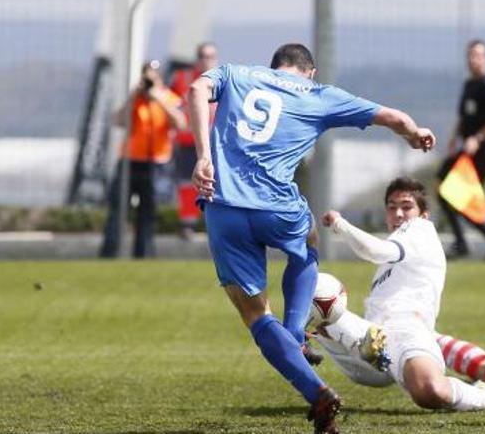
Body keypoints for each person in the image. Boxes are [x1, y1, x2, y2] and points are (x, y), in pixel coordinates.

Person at [187, 43, 436, 433]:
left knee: (254, 314)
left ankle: (314, 388)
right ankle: (294, 332)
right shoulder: (318, 95)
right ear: (310, 71)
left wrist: (204, 155)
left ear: (274, 67)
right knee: (307, 243)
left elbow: (195, 90)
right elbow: (392, 116)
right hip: (277, 207)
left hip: (223, 203)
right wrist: (414, 133)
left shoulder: (235, 74)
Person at [313, 177, 485, 412]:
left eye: (407, 207)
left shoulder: (420, 230)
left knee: (431, 391)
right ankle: (303, 337)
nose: (398, 213)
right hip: (372, 345)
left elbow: (372, 250)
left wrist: (339, 223)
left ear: (424, 214)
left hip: (406, 333)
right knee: (315, 290)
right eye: (391, 207)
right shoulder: (392, 258)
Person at [100, 60, 186, 258]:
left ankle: (144, 254)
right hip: (130, 160)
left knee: (148, 212)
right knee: (118, 208)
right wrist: (133, 96)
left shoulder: (169, 98)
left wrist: (159, 100)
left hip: (156, 162)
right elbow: (118, 120)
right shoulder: (135, 99)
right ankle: (109, 253)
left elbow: (180, 124)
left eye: (153, 75)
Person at [437, 39, 485, 261]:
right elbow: (464, 117)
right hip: (466, 150)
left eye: (478, 55)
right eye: (470, 55)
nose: (473, 60)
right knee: (443, 187)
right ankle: (468, 243)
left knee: (460, 197)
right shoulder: (469, 85)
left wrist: (478, 138)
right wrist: (453, 139)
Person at [169, 42, 219, 239]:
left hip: (215, 144)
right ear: (197, 59)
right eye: (203, 56)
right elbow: (170, 102)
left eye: (211, 56)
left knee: (215, 184)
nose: (207, 60)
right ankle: (187, 224)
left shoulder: (223, 79)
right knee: (187, 184)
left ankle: (213, 224)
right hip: (189, 143)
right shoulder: (183, 79)